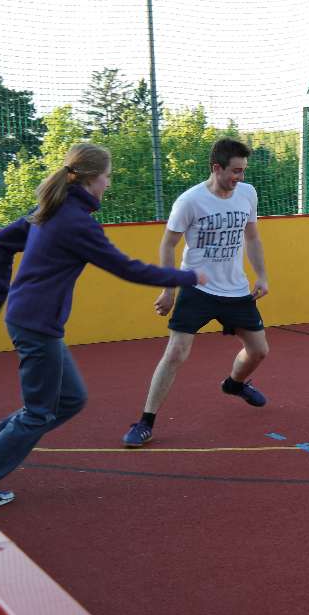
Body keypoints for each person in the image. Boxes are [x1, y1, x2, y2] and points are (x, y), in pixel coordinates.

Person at [0, 143, 203, 507]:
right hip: (36, 324)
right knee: (39, 411)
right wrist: (186, 277)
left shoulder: (50, 210)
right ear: (90, 179)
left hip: (34, 320)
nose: (108, 184)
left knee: (71, 399)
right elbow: (127, 268)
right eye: (107, 177)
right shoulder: (74, 222)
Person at [122, 139, 271, 448]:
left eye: (243, 171)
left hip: (236, 289)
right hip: (197, 286)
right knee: (176, 352)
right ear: (216, 168)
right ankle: (145, 422)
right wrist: (169, 290)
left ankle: (234, 384)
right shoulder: (189, 201)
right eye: (234, 171)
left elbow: (252, 237)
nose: (239, 178)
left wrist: (262, 275)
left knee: (259, 351)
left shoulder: (247, 194)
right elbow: (168, 244)